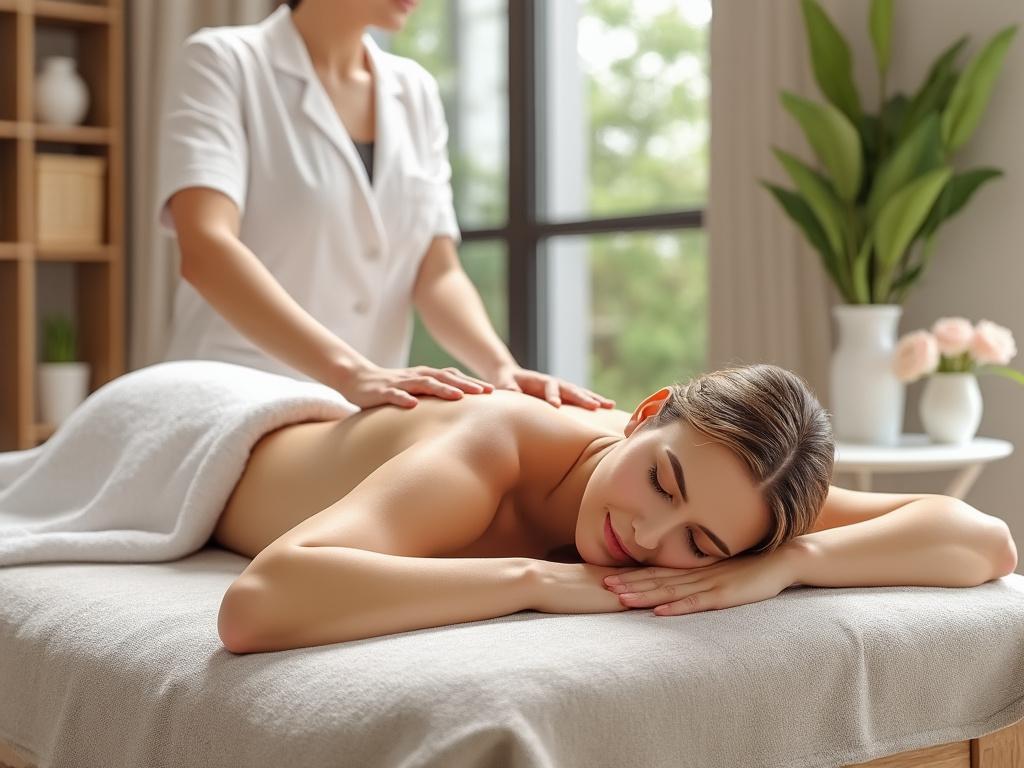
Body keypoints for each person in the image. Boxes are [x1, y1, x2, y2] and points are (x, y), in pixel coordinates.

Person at [210, 363, 1018, 654]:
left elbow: (983, 543)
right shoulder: (495, 450)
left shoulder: (747, 497)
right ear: (646, 410)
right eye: (662, 484)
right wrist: (530, 581)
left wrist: (787, 563)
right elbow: (258, 605)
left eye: (700, 543)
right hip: (210, 434)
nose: (644, 535)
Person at [157, 0, 614, 412]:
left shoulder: (414, 90)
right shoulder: (224, 62)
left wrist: (500, 368)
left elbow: (437, 272)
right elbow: (206, 247)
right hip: (237, 394)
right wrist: (349, 372)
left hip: (364, 408)